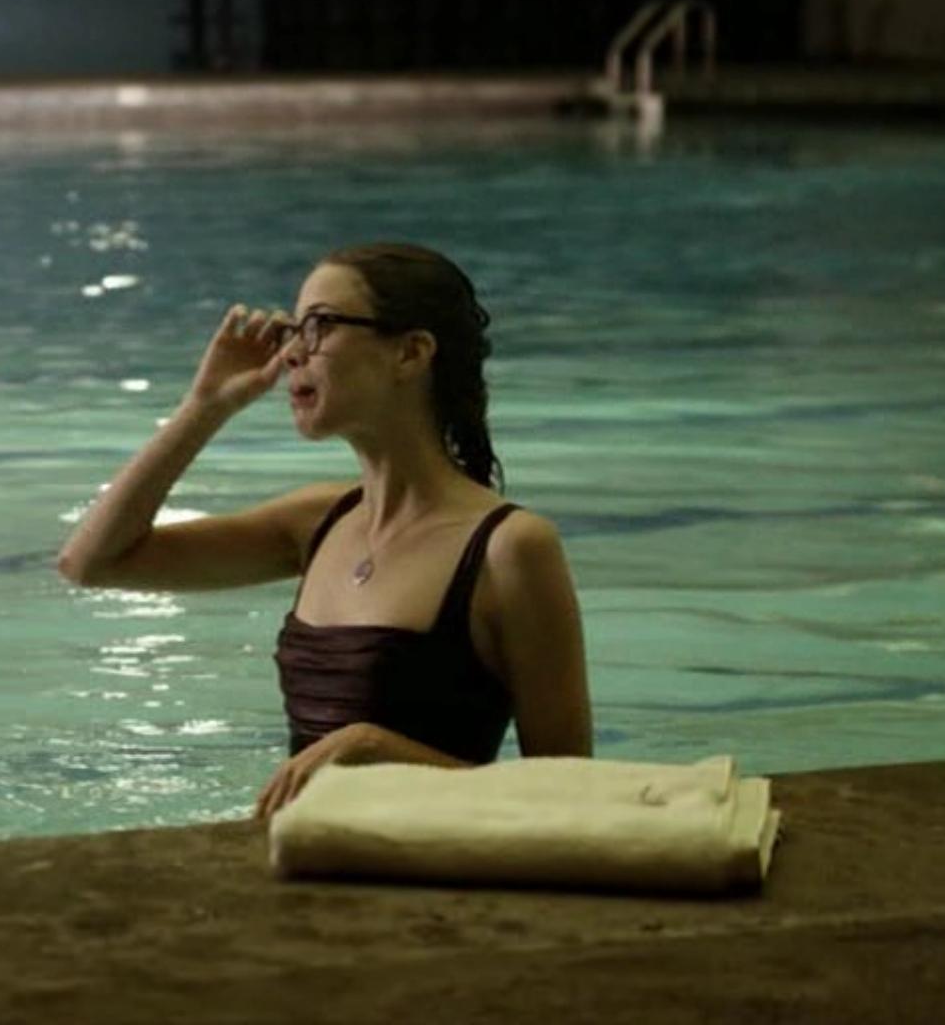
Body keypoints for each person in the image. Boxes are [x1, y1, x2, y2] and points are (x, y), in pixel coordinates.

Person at [57, 244, 592, 819]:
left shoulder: (508, 548)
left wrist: (379, 749)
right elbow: (93, 562)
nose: (291, 353)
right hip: (306, 854)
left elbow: (569, 796)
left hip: (428, 864)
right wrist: (205, 405)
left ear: (410, 353)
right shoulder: (317, 523)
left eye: (321, 326)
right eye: (294, 330)